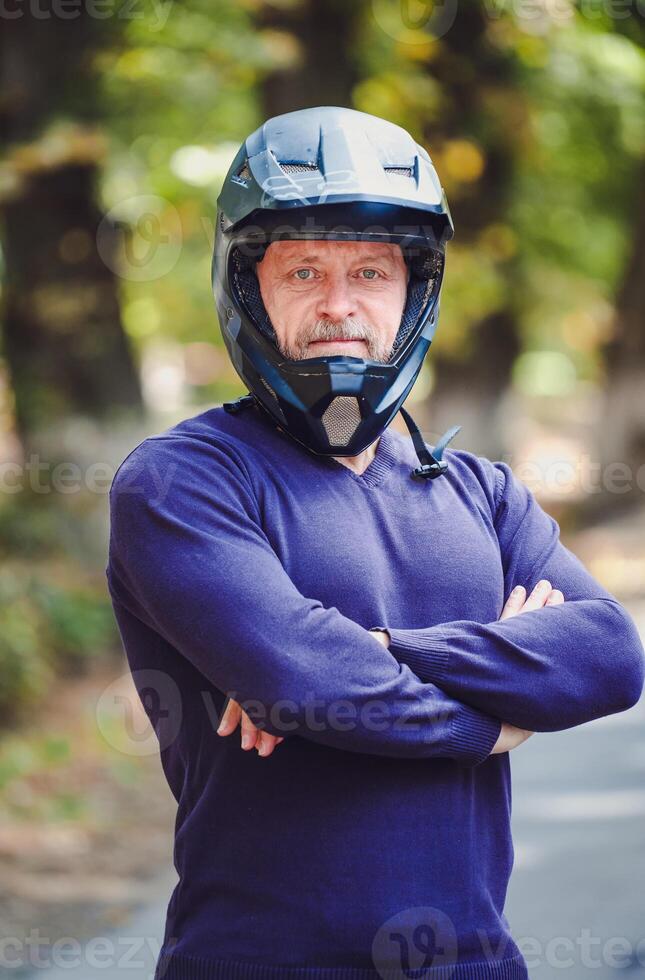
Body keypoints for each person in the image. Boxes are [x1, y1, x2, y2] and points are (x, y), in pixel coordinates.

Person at [106, 106, 645, 980]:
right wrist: (501, 715)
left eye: (369, 270)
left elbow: (609, 656)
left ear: (413, 291)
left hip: (474, 962)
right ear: (248, 288)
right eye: (303, 271)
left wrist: (379, 650)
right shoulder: (183, 481)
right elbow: (303, 682)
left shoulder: (483, 491)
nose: (339, 304)